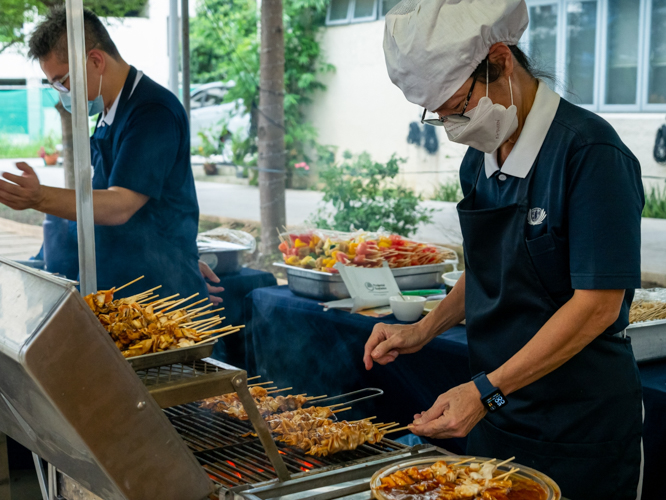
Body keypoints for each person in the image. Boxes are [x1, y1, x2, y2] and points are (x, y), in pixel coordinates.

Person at [365, 0, 644, 498]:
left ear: (501, 59)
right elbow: (490, 266)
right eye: (442, 115)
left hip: (578, 426)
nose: (454, 127)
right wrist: (423, 330)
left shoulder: (590, 154)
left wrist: (486, 390)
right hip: (498, 413)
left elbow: (598, 306)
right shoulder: (480, 158)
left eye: (460, 105)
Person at [0, 6, 223, 303]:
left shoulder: (152, 112)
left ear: (95, 60)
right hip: (123, 280)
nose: (60, 92)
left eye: (61, 81)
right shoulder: (109, 110)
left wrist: (39, 197)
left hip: (157, 294)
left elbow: (119, 205)